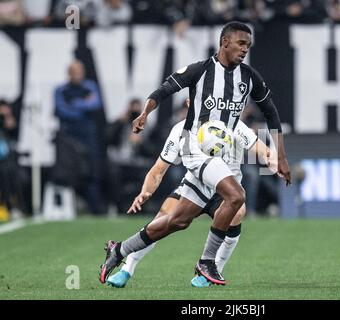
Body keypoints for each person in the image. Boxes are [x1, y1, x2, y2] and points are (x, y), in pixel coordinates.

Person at [100, 21, 291, 285]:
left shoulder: (247, 81)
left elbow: (269, 115)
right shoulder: (199, 72)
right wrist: (145, 113)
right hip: (197, 151)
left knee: (176, 221)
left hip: (221, 175)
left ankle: (120, 250)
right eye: (241, 43)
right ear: (224, 42)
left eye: (248, 45)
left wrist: (279, 157)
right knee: (237, 196)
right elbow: (162, 91)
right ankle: (205, 263)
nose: (245, 49)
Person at [105, 104, 272, 288]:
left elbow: (260, 148)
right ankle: (127, 268)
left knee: (238, 212)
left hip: (224, 192)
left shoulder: (232, 124)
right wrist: (145, 191)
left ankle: (212, 271)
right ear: (188, 104)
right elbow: (158, 169)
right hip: (193, 186)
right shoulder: (180, 130)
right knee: (164, 218)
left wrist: (276, 162)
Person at [54, 59, 106, 214]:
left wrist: (74, 104)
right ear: (69, 73)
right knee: (71, 172)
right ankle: (72, 208)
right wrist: (82, 105)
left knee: (91, 171)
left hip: (88, 136)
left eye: (80, 71)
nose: (77, 75)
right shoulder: (61, 90)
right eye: (74, 72)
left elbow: (95, 104)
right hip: (68, 138)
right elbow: (62, 110)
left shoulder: (89, 87)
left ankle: (94, 208)